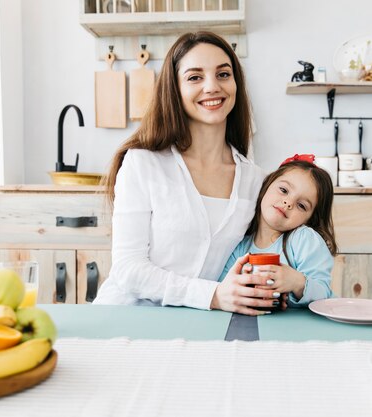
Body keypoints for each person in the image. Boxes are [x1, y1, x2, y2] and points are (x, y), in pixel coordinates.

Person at [93, 31, 279, 315]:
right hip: (125, 316)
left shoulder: (256, 181)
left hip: (199, 323)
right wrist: (213, 295)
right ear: (175, 90)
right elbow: (128, 269)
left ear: (236, 84)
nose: (212, 86)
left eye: (223, 74)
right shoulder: (143, 163)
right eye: (195, 77)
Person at [218, 154, 338, 307]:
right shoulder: (240, 245)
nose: (288, 202)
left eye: (301, 205)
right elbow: (225, 286)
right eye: (283, 190)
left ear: (309, 219)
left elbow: (323, 293)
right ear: (267, 184)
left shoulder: (304, 239)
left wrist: (297, 282)